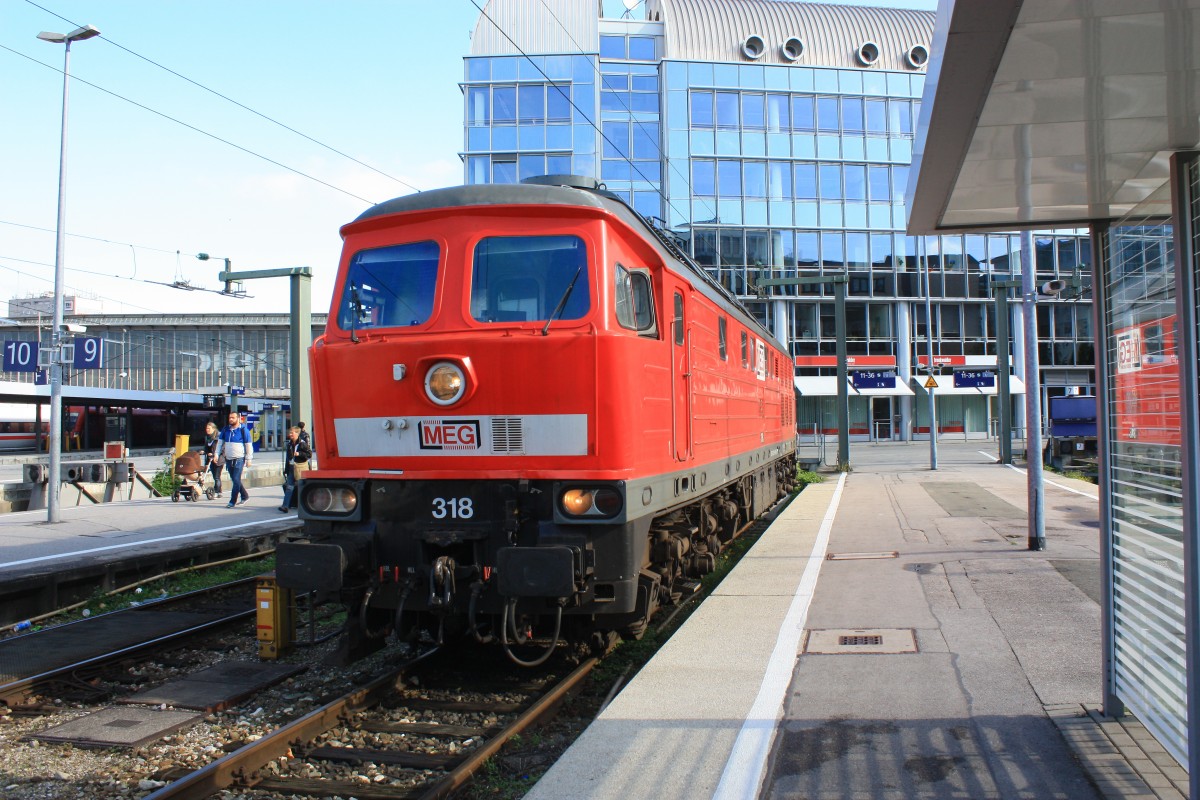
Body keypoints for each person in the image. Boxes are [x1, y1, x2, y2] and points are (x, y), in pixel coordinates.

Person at [219, 411, 253, 507]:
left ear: (238, 418)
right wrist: (217, 454)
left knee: (236, 479)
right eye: (230, 417)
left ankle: (232, 501)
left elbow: (248, 445)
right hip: (229, 458)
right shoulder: (226, 429)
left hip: (239, 458)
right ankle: (245, 496)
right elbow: (220, 443)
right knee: (235, 480)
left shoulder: (243, 430)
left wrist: (249, 458)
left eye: (233, 418)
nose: (230, 419)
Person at [279, 426, 311, 512]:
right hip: (291, 467)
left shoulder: (302, 443)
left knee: (301, 486)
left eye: (291, 433)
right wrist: (286, 470)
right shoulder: (289, 443)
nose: (290, 434)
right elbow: (287, 458)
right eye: (289, 433)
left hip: (300, 467)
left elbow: (309, 454)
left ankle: (305, 505)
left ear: (297, 433)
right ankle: (285, 506)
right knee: (289, 487)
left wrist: (299, 454)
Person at [202, 421, 223, 498]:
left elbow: (222, 448)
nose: (207, 430)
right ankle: (218, 490)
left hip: (218, 459)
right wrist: (205, 452)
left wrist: (214, 454)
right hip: (210, 459)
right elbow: (207, 448)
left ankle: (217, 492)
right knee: (215, 476)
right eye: (206, 428)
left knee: (217, 476)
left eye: (209, 428)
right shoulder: (208, 437)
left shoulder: (219, 436)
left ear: (213, 429)